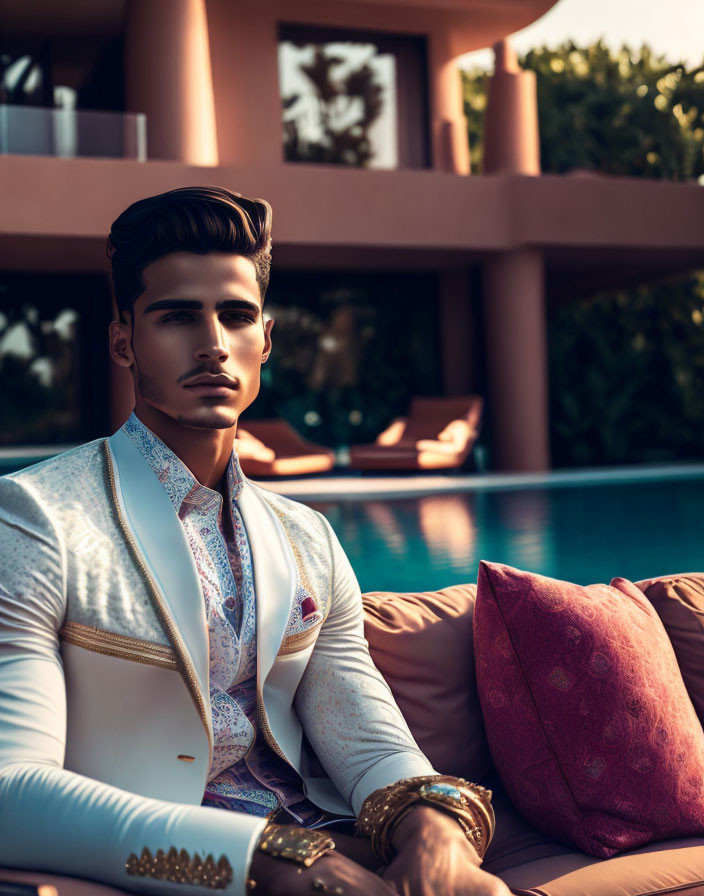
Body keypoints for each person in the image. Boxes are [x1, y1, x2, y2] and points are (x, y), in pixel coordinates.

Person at [0, 187, 510, 896]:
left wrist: (436, 838)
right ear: (124, 341)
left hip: (329, 840)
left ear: (264, 340)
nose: (212, 344)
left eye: (235, 316)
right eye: (177, 317)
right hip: (181, 866)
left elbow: (369, 745)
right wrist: (273, 863)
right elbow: (9, 796)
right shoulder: (34, 517)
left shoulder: (308, 537)